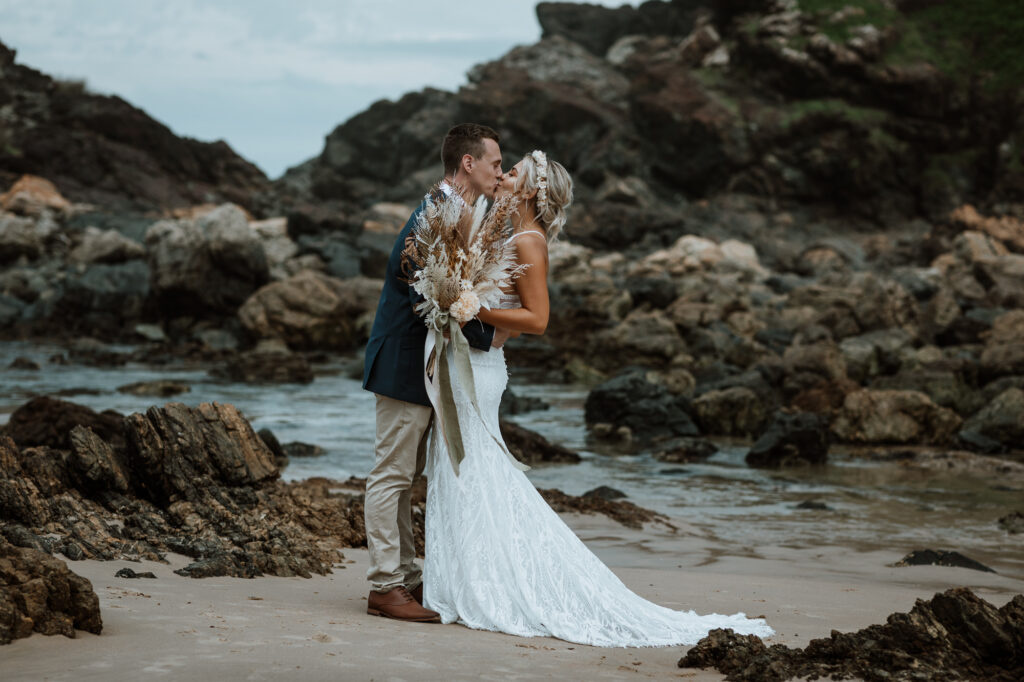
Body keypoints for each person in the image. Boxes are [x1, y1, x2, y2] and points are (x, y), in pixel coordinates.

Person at [421, 151, 775, 645]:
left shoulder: (528, 242)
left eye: (513, 171)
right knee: (464, 470)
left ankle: (487, 581)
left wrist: (472, 306)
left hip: (478, 372)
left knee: (473, 468)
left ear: (529, 191)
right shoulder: (503, 232)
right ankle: (465, 576)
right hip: (471, 364)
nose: (503, 174)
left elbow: (538, 320)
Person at [361, 123, 510, 622]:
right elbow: (430, 300)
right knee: (392, 475)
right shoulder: (437, 214)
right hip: (404, 362)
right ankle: (385, 585)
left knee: (408, 477)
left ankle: (403, 576)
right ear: (468, 163)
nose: (501, 172)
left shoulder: (454, 211)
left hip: (421, 364)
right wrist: (491, 337)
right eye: (494, 162)